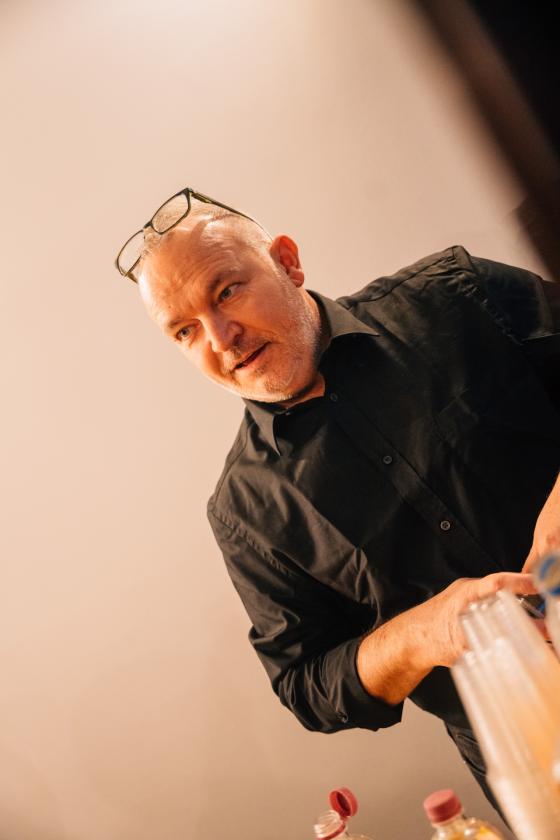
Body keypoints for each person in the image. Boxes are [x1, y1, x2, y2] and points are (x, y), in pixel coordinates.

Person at [115, 187, 560, 816]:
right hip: (534, 757)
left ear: (287, 262)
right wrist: (424, 633)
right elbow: (307, 686)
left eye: (226, 291)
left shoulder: (457, 295)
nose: (221, 338)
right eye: (185, 330)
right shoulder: (243, 513)